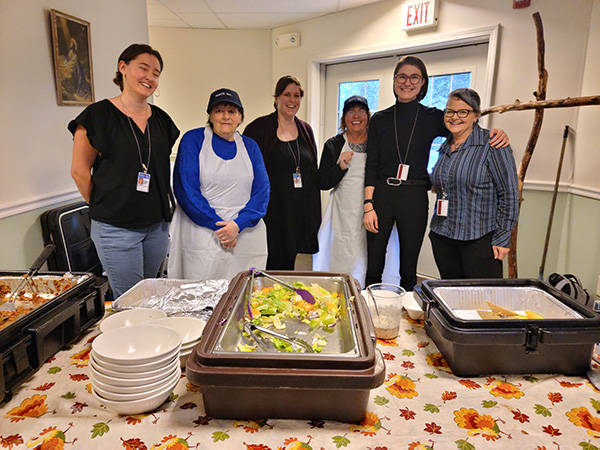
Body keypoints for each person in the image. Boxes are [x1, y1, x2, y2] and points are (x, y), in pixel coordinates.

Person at [363, 55, 509, 291]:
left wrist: (494, 133)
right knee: (374, 263)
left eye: (414, 77)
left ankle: (407, 315)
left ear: (423, 83)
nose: (407, 82)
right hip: (381, 195)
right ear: (394, 80)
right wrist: (368, 204)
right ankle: (369, 310)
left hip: (414, 197)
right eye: (402, 76)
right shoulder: (379, 119)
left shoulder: (433, 117)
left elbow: (463, 125)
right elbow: (372, 164)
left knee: (408, 267)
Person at [69, 43, 179, 299]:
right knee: (132, 301)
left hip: (157, 227)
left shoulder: (162, 120)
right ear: (123, 68)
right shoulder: (98, 116)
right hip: (117, 228)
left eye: (156, 72)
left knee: (150, 296)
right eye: (144, 68)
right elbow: (79, 171)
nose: (150, 77)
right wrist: (107, 206)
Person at [167, 88, 269, 280]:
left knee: (242, 292)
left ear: (240, 117)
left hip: (244, 233)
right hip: (203, 232)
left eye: (232, 111)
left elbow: (261, 192)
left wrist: (237, 225)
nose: (225, 116)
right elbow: (186, 189)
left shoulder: (250, 146)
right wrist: (220, 228)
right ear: (210, 115)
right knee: (200, 292)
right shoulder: (193, 140)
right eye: (219, 110)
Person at [429, 88, 518, 278]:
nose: (455, 117)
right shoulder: (445, 147)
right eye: (450, 111)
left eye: (463, 112)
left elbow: (509, 193)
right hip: (443, 235)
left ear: (476, 115)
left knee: (481, 299)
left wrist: (503, 238)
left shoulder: (492, 144)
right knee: (451, 296)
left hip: (478, 238)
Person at [244, 76, 320, 270]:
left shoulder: (306, 130)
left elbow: (312, 171)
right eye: (286, 94)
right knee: (269, 262)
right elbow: (246, 171)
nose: (292, 100)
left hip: (297, 211)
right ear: (276, 98)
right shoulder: (258, 128)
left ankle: (283, 298)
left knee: (289, 263)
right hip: (271, 211)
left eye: (296, 95)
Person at [313, 95, 370, 285]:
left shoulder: (376, 143)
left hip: (370, 209)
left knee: (367, 255)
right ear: (344, 117)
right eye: (351, 111)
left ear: (368, 116)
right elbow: (322, 182)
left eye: (361, 111)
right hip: (342, 211)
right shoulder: (333, 144)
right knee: (340, 253)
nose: (356, 116)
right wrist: (340, 167)